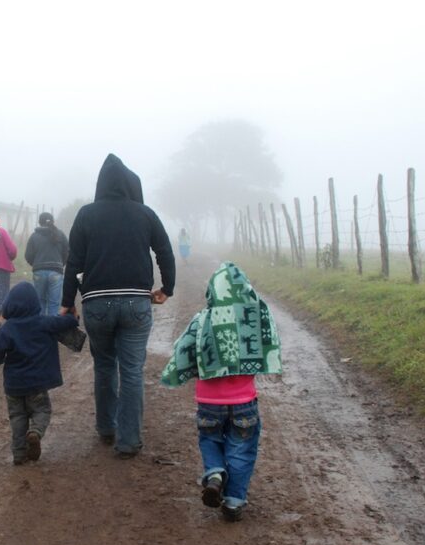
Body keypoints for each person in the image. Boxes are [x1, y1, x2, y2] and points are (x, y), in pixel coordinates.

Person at [61, 153, 176, 458]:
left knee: (104, 366)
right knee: (132, 370)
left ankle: (106, 428)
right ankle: (128, 441)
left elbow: (73, 262)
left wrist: (66, 303)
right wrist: (167, 288)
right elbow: (165, 251)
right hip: (136, 303)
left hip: (96, 304)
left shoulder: (86, 215)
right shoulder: (145, 214)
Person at [160, 261, 281, 521]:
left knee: (210, 439)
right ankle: (234, 501)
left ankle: (214, 473)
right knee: (242, 448)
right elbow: (270, 340)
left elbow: (184, 347)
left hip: (208, 401)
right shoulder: (256, 315)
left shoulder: (203, 318)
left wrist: (175, 372)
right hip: (244, 400)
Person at [0, 281, 80, 465]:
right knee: (42, 410)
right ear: (35, 303)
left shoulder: (7, 329)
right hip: (37, 384)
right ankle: (36, 432)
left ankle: (19, 454)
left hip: (14, 386)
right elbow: (67, 321)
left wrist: (1, 358)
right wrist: (72, 316)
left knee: (17, 418)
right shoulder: (44, 322)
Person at [24, 211, 69, 316]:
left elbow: (28, 255)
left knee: (40, 303)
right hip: (56, 272)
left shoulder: (34, 236)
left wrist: (36, 264)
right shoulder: (61, 234)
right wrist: (60, 264)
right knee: (54, 304)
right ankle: (52, 330)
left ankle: (41, 330)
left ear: (39, 222)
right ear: (53, 221)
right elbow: (67, 252)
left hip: (39, 272)